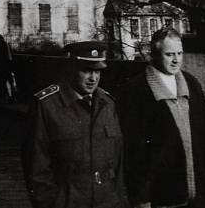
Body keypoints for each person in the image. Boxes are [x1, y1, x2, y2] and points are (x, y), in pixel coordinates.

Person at [117, 28, 205, 208]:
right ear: (155, 55)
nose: (176, 60)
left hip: (199, 194)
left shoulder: (191, 83)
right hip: (162, 195)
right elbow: (133, 151)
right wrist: (141, 197)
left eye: (179, 53)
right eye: (169, 54)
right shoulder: (137, 90)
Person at [22, 41, 128, 208]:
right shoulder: (47, 105)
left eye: (97, 71)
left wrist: (120, 200)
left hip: (108, 201)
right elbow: (37, 168)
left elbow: (119, 162)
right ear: (71, 68)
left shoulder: (108, 104)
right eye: (86, 70)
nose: (93, 78)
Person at [0, 31, 15, 102]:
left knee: (1, 82)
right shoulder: (5, 43)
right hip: (7, 65)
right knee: (9, 82)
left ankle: (3, 96)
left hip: (1, 65)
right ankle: (11, 96)